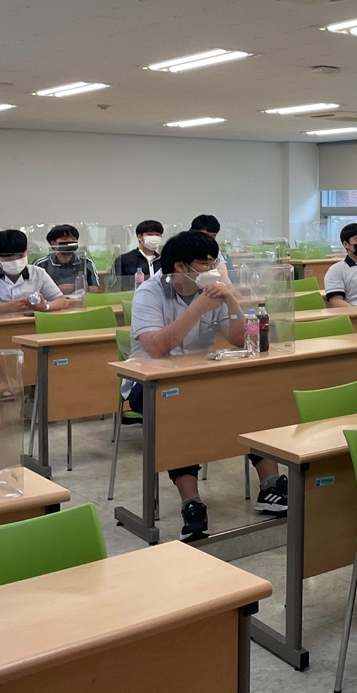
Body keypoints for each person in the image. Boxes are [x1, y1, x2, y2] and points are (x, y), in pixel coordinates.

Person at [127, 230, 286, 541]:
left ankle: (271, 487)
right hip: (149, 383)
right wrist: (198, 308)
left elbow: (239, 339)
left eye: (214, 261)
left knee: (251, 398)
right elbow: (157, 348)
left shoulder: (213, 291)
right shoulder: (149, 293)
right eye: (205, 263)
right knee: (179, 413)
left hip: (199, 376)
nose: (212, 268)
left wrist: (230, 300)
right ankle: (192, 503)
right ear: (181, 267)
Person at [0, 230, 68, 314]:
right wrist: (6, 307)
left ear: (26, 250)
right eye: (8, 259)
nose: (16, 261)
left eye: (20, 256)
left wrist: (45, 307)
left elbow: (62, 301)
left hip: (31, 321)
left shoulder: (38, 273)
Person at [32, 224, 101, 295]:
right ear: (53, 243)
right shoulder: (41, 264)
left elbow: (97, 288)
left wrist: (87, 289)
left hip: (79, 300)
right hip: (53, 301)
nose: (70, 241)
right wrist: (56, 290)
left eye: (73, 239)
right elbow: (32, 291)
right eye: (64, 239)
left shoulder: (86, 262)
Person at [112, 220, 164, 289]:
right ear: (139, 237)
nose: (154, 238)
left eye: (157, 235)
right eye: (150, 234)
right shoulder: (124, 260)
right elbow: (115, 286)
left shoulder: (164, 261)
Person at [190, 214, 231, 282]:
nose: (208, 241)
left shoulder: (214, 251)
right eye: (204, 237)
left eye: (212, 237)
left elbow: (225, 279)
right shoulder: (185, 248)